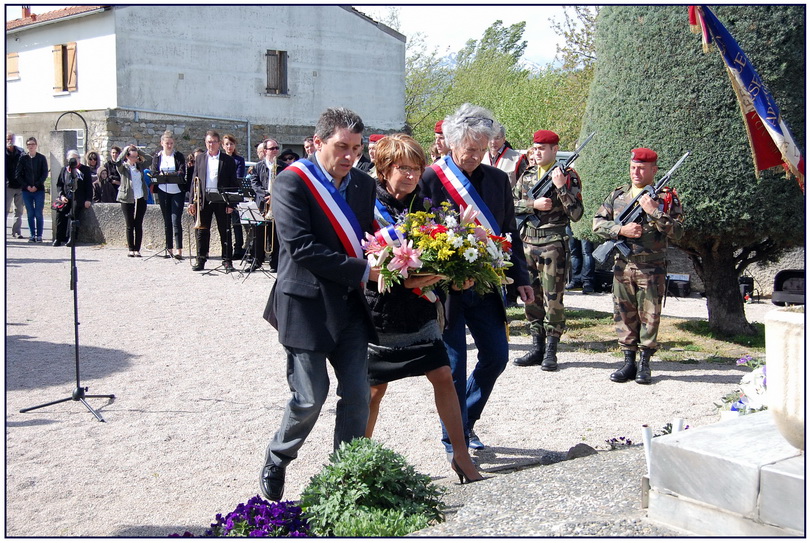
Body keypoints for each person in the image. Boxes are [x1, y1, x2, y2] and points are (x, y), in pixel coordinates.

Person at [259, 107, 379, 502]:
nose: (349, 156)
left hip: (350, 308)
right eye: (341, 147)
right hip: (306, 306)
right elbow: (301, 248)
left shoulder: (363, 185)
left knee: (359, 395)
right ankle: (278, 456)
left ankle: (344, 475)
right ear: (318, 143)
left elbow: (368, 236)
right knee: (310, 397)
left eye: (356, 149)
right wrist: (365, 272)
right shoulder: (291, 183)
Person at [363, 134, 483, 484]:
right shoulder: (365, 204)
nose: (412, 175)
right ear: (384, 169)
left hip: (420, 308)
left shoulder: (426, 205)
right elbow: (359, 258)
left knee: (443, 375)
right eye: (403, 168)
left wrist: (455, 274)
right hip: (381, 308)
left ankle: (460, 456)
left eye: (417, 168)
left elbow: (442, 249)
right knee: (374, 390)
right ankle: (358, 460)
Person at [419, 103, 534, 453]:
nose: (475, 157)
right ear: (452, 145)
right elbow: (420, 233)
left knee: (497, 357)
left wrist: (521, 277)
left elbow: (508, 233)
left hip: (486, 284)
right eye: (470, 150)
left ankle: (465, 421)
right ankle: (454, 439)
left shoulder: (498, 180)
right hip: (446, 289)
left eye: (482, 150)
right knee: (453, 366)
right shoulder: (430, 179)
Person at [593, 147, 684, 385]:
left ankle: (645, 362)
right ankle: (628, 362)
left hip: (651, 268)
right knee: (624, 314)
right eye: (633, 167)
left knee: (650, 316)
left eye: (642, 168)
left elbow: (679, 232)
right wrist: (620, 230)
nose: (636, 172)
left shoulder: (665, 198)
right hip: (623, 265)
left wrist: (654, 211)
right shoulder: (619, 196)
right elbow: (597, 223)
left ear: (654, 170)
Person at [511, 130, 584, 370]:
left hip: (553, 245)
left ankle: (551, 350)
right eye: (535, 148)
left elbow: (576, 214)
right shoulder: (528, 175)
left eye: (543, 148)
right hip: (528, 244)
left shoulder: (568, 176)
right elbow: (511, 204)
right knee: (531, 297)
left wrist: (561, 187)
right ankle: (536, 347)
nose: (537, 152)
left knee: (554, 299)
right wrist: (533, 204)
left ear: (555, 150)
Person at [188, 130, 239, 272]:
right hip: (204, 199)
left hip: (221, 199)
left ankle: (227, 261)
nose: (211, 144)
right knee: (202, 231)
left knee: (225, 231)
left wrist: (231, 203)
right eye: (208, 142)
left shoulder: (227, 160)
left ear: (219, 144)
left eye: (213, 142)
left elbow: (233, 182)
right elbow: (194, 181)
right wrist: (192, 201)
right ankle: (201, 259)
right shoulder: (200, 158)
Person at [151, 131, 187, 259]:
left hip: (177, 191)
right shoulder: (158, 156)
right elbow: (154, 172)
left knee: (175, 220)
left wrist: (170, 174)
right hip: (163, 190)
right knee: (167, 221)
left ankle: (179, 249)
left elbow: (182, 172)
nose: (169, 146)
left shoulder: (178, 156)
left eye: (171, 143)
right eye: (167, 143)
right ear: (162, 143)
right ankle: (169, 248)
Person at [251, 138, 281, 272]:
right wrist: (265, 196)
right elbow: (254, 183)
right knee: (259, 233)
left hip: (277, 204)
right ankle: (257, 261)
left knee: (275, 235)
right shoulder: (258, 166)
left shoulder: (282, 166)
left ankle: (275, 263)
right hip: (262, 205)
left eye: (276, 148)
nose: (275, 151)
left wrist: (274, 196)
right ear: (265, 151)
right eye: (272, 148)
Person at [53, 150, 93, 247]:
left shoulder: (85, 170)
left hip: (78, 197)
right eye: (72, 158)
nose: (74, 160)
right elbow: (60, 185)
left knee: (73, 214)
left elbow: (88, 186)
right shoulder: (64, 170)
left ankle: (71, 238)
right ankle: (59, 238)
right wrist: (61, 195)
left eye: (76, 158)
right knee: (60, 213)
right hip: (66, 197)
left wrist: (88, 199)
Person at [116, 145, 150, 257]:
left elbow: (150, 159)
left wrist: (139, 151)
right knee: (129, 224)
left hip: (140, 197)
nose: (134, 158)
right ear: (127, 156)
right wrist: (125, 150)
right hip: (127, 198)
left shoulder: (139, 166)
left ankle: (137, 249)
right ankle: (131, 248)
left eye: (136, 157)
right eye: (132, 156)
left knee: (138, 223)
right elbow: (117, 161)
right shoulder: (124, 168)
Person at [15, 136, 48, 242]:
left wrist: (37, 185)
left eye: (33, 144)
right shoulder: (23, 159)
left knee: (38, 213)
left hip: (39, 190)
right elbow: (18, 175)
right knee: (30, 213)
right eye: (29, 144)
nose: (31, 146)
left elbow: (44, 173)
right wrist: (27, 186)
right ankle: (32, 235)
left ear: (36, 145)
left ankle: (39, 235)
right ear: (27, 146)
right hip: (26, 191)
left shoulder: (41, 158)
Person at [222, 134, 246, 260]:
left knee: (236, 223)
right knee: (224, 224)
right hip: (223, 194)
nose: (229, 146)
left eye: (231, 144)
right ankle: (226, 249)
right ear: (223, 146)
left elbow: (237, 178)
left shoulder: (239, 160)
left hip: (235, 194)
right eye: (226, 144)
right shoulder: (221, 159)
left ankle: (238, 249)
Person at [482, 122, 528, 187]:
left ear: (504, 139)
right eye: (490, 138)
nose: (493, 142)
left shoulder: (517, 158)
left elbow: (525, 184)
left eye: (497, 138)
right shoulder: (481, 157)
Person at [566, 226, 595, 294]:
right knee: (574, 252)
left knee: (587, 252)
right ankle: (576, 280)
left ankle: (588, 282)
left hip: (584, 220)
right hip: (570, 221)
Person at [6, 133, 25, 239]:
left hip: (19, 186)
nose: (10, 140)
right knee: (5, 210)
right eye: (8, 139)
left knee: (18, 211)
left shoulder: (21, 152)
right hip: (7, 186)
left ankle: (16, 232)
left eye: (11, 138)